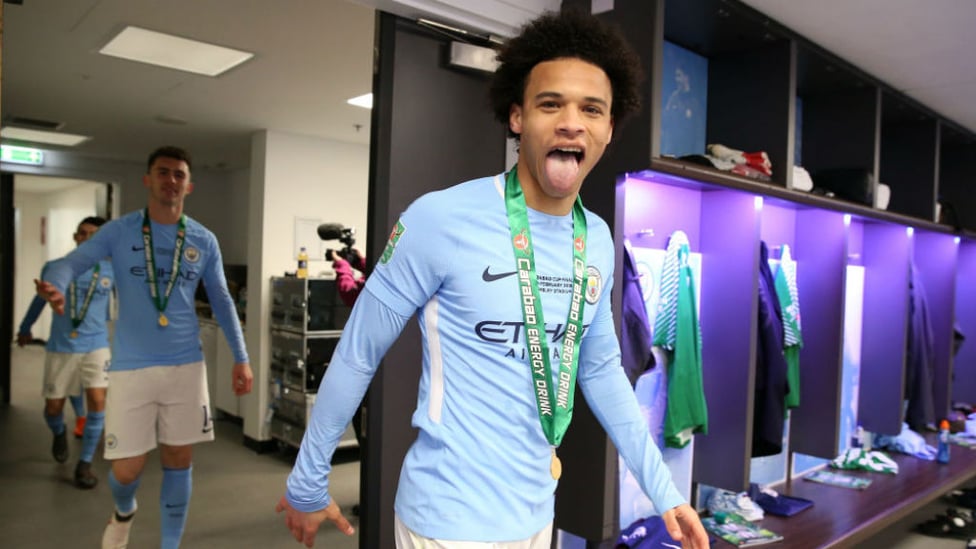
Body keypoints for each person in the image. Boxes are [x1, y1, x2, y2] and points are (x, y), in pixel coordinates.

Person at [276, 9, 708, 549]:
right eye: (550, 104)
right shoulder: (439, 218)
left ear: (609, 128)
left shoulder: (595, 238)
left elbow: (599, 367)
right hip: (446, 520)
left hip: (534, 515)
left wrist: (664, 489)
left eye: (591, 109)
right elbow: (359, 351)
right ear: (517, 117)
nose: (572, 122)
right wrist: (309, 479)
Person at [35, 146, 254, 549]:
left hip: (186, 365)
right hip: (131, 367)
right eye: (163, 172)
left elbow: (223, 300)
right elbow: (72, 262)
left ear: (189, 184)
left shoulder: (203, 239)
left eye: (178, 174)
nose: (171, 180)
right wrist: (57, 285)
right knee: (126, 470)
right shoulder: (119, 231)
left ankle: (169, 544)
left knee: (178, 459)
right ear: (148, 179)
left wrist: (241, 357)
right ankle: (124, 510)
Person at [17, 216, 114, 489]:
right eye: (82, 234)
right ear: (75, 237)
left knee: (98, 402)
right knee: (52, 408)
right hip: (62, 347)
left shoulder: (110, 270)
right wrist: (25, 328)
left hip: (96, 345)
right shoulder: (56, 267)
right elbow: (39, 301)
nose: (86, 238)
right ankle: (58, 432)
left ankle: (84, 465)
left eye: (93, 235)